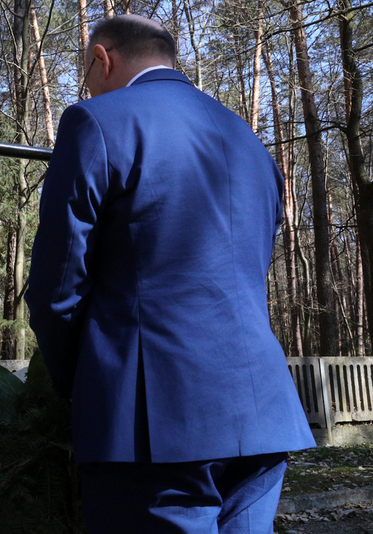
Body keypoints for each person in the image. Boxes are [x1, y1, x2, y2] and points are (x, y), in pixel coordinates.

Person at [24, 14, 315, 534]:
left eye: (88, 72)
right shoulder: (248, 140)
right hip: (261, 412)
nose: (88, 86)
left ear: (102, 58)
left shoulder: (96, 122)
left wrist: (77, 384)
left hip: (151, 421)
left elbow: (57, 286)